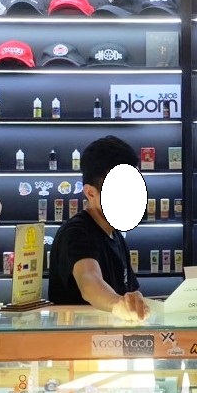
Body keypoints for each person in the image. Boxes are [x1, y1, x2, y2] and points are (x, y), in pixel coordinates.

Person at [48, 136, 149, 320]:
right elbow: (89, 281)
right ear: (90, 193)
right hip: (79, 337)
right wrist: (118, 304)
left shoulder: (115, 234)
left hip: (110, 336)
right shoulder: (76, 233)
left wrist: (134, 301)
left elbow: (129, 290)